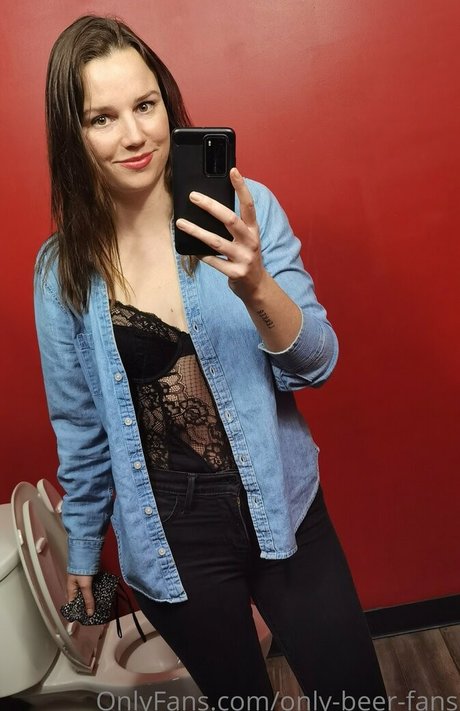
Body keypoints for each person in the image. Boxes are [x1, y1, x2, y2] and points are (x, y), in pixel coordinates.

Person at [34, 14, 388, 711]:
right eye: (103, 118)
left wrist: (255, 284)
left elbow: (317, 363)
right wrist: (83, 555)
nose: (134, 135)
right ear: (73, 134)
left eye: (145, 105)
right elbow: (81, 431)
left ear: (167, 102)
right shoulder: (61, 272)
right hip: (171, 542)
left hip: (282, 506)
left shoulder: (244, 214)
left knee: (357, 697)